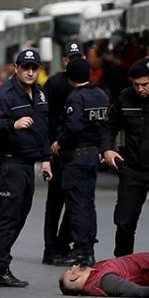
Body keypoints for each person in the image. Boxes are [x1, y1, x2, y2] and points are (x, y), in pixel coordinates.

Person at [0, 49, 53, 287]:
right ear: (16, 68)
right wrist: (13, 124)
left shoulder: (40, 94)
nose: (30, 72)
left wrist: (46, 159)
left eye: (34, 68)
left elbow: (43, 129)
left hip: (26, 164)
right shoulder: (4, 96)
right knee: (8, 217)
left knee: (19, 216)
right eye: (26, 68)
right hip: (7, 163)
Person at [101, 59, 149, 258]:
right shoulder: (126, 98)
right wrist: (107, 150)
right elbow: (108, 126)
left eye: (144, 84)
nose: (140, 89)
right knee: (124, 222)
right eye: (136, 85)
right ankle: (122, 264)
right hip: (132, 168)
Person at [51, 59, 108, 267]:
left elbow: (73, 127)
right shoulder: (100, 95)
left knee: (76, 205)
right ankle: (89, 248)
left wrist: (59, 142)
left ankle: (81, 248)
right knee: (88, 203)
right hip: (93, 154)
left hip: (76, 155)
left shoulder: (76, 97)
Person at [42, 41, 84, 265]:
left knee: (76, 202)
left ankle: (62, 242)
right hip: (57, 151)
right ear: (64, 60)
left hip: (78, 152)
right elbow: (45, 117)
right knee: (55, 202)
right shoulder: (55, 84)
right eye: (70, 58)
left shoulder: (86, 85)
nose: (73, 61)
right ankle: (50, 248)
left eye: (78, 58)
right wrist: (48, 148)